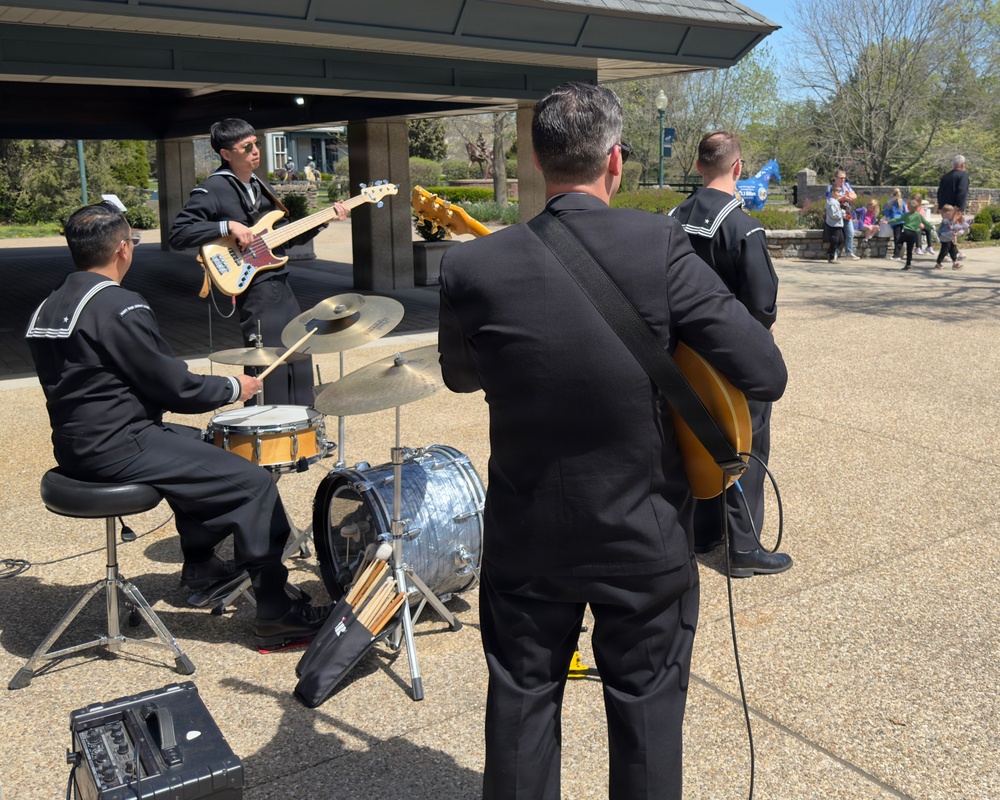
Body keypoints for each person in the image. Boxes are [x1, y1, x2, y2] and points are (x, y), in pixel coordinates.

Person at [438, 82, 788, 800]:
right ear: (616, 162)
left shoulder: (471, 266)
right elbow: (764, 371)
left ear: (534, 160)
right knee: (648, 718)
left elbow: (459, 377)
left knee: (522, 706)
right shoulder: (657, 244)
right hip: (644, 534)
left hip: (526, 535)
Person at [26, 201, 331, 650]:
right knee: (254, 484)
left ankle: (202, 564)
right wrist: (233, 387)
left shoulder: (50, 305)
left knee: (204, 446)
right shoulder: (117, 305)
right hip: (122, 446)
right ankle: (277, 613)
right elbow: (174, 388)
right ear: (123, 250)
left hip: (76, 446)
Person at [669, 130, 792, 577]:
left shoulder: (671, 218)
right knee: (747, 447)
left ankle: (702, 534)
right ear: (738, 168)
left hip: (681, 357)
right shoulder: (742, 226)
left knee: (696, 439)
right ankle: (742, 545)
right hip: (731, 357)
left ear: (699, 166)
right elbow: (761, 305)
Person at [169, 119, 347, 406]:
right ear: (226, 154)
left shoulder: (259, 186)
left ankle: (302, 428)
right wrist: (227, 227)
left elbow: (284, 239)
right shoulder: (213, 188)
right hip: (255, 291)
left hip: (280, 283)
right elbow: (179, 234)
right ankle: (267, 432)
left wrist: (325, 220)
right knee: (267, 361)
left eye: (256, 144)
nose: (256, 151)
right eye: (246, 147)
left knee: (299, 353)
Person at [888, 197, 935, 270]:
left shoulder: (906, 215)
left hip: (906, 232)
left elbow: (898, 219)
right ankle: (908, 264)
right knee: (909, 250)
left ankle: (897, 253)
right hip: (914, 234)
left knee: (899, 241)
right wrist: (932, 227)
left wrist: (889, 221)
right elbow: (925, 222)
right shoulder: (918, 215)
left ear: (908, 208)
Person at [827, 169, 860, 259]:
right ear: (835, 178)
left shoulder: (847, 186)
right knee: (837, 236)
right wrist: (845, 197)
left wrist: (846, 197)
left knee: (850, 233)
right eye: (841, 178)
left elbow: (854, 196)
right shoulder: (831, 187)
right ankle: (834, 254)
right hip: (836, 215)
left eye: (844, 178)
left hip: (846, 213)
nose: (843, 180)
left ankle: (849, 252)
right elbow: (831, 199)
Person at [883, 188, 906, 260]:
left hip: (894, 221)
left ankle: (896, 255)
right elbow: (905, 211)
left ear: (892, 193)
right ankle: (898, 253)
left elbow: (886, 213)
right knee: (898, 237)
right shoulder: (902, 202)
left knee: (897, 238)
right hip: (901, 221)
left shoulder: (890, 202)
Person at [824, 191, 847, 262]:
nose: (839, 194)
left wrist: (843, 208)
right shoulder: (832, 202)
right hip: (833, 225)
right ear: (833, 192)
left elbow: (838, 212)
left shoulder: (836, 202)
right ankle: (831, 257)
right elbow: (833, 215)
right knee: (835, 240)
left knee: (841, 240)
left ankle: (829, 253)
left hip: (838, 224)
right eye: (838, 192)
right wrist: (843, 211)